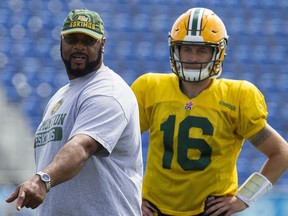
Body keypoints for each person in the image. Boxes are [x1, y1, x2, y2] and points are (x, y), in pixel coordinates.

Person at [131, 7, 288, 216]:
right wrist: (130, 194)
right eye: (187, 49)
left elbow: (281, 154)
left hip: (209, 211)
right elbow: (116, 147)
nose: (193, 58)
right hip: (155, 210)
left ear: (218, 52)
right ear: (175, 50)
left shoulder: (237, 97)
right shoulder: (149, 88)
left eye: (202, 50)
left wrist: (243, 199)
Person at [6, 8, 143, 215]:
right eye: (72, 39)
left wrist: (42, 180)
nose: (79, 46)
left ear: (102, 44)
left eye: (88, 41)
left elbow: (81, 147)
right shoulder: (59, 97)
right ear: (61, 41)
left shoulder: (108, 91)